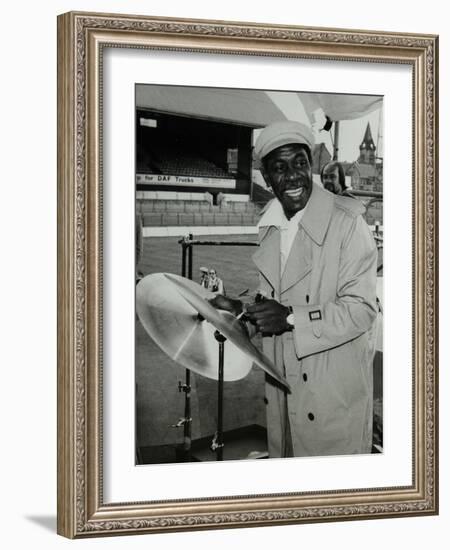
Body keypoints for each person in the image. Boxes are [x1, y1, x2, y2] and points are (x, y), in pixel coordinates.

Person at [211, 120, 378, 458]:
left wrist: (289, 319)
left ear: (311, 166)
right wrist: (242, 309)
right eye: (279, 168)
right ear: (266, 177)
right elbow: (278, 301)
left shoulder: (348, 223)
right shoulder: (271, 225)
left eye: (300, 163)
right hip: (283, 391)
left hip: (331, 398)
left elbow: (362, 310)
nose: (292, 177)